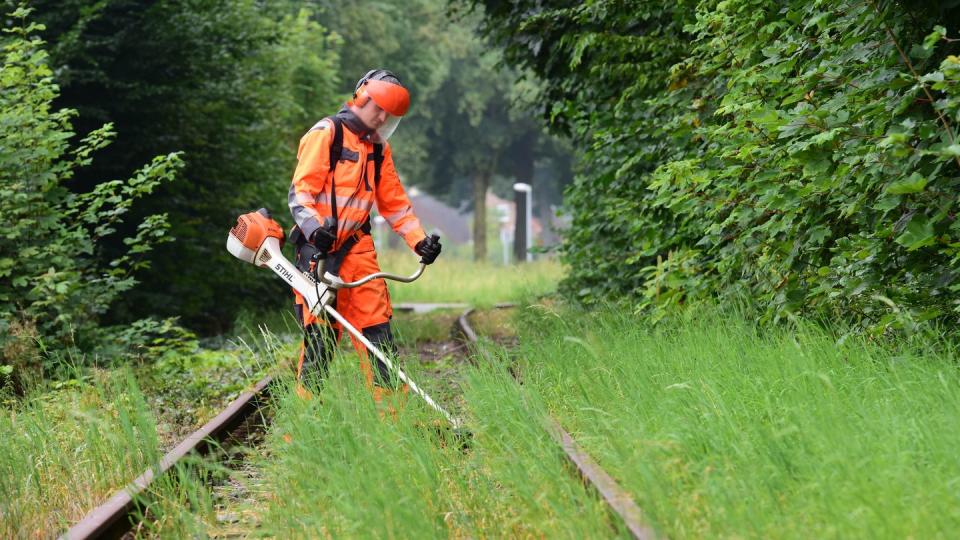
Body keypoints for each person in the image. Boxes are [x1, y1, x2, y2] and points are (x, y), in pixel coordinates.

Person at [287, 69, 441, 402]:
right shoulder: (327, 134)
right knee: (320, 343)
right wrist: (316, 230)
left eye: (389, 113)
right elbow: (300, 195)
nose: (383, 117)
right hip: (318, 254)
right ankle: (304, 424)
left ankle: (393, 422)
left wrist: (420, 242)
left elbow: (396, 206)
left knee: (379, 337)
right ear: (361, 98)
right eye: (379, 108)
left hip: (359, 252)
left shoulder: (378, 150)